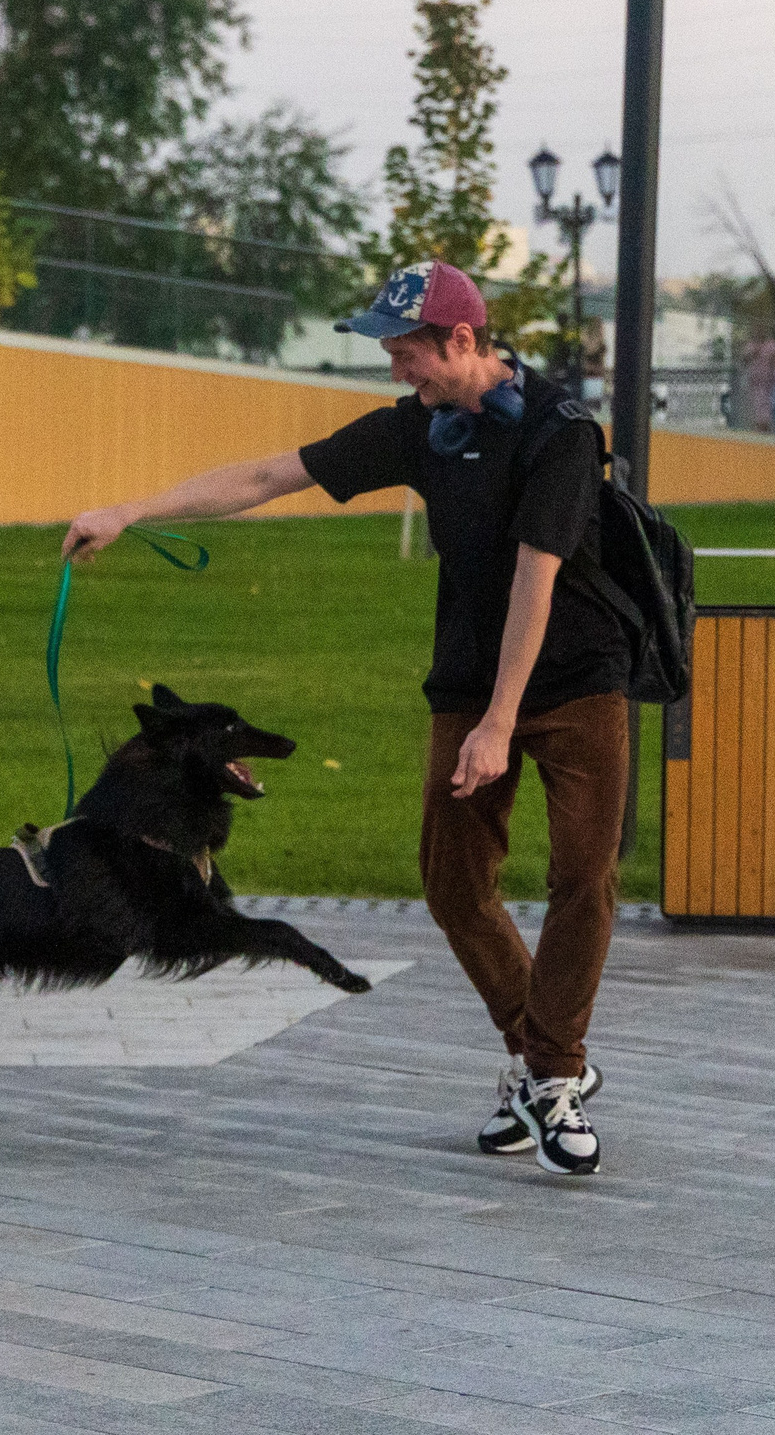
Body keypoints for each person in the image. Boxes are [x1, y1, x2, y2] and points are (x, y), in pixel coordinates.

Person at [64, 261, 627, 1178]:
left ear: (463, 340)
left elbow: (538, 576)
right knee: (452, 882)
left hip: (575, 681)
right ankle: (542, 1059)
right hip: (466, 681)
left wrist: (500, 722)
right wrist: (128, 511)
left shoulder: (560, 435)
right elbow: (266, 474)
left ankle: (554, 1077)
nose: (397, 369)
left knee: (583, 877)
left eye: (406, 352)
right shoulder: (426, 433)